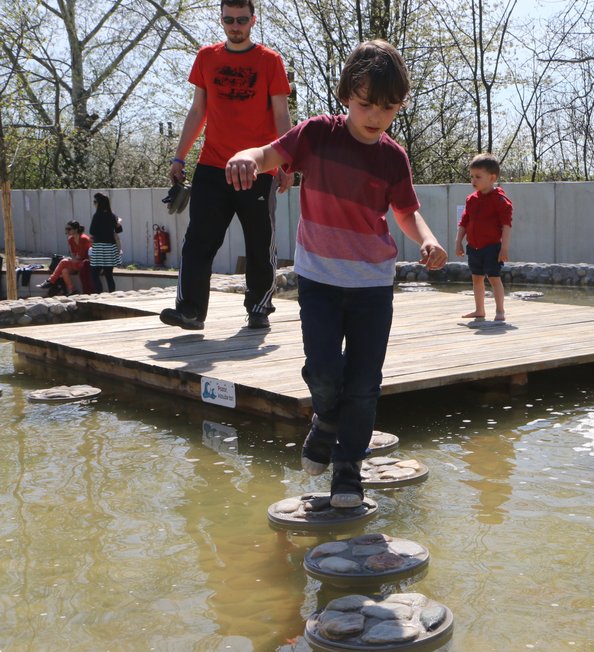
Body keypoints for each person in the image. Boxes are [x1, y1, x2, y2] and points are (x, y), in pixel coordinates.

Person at [225, 40, 448, 508]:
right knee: (323, 371)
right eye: (366, 104)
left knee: (365, 382)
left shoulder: (393, 157)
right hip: (320, 281)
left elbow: (405, 212)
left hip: (371, 285)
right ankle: (325, 418)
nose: (375, 116)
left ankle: (347, 470)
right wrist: (246, 155)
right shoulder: (315, 135)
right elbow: (268, 154)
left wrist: (426, 238)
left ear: (400, 105)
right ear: (347, 94)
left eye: (387, 108)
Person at [160, 0, 293, 331]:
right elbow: (197, 112)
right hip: (212, 166)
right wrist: (179, 156)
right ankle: (190, 310)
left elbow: (281, 114)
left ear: (252, 20)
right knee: (198, 241)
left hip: (257, 169)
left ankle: (259, 308)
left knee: (260, 243)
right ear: (220, 19)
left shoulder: (270, 61)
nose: (235, 26)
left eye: (242, 20)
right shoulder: (207, 57)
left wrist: (288, 162)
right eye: (229, 20)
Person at [454, 153, 513, 321]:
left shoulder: (500, 200)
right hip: (474, 247)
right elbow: (464, 222)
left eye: (478, 177)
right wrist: (458, 242)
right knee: (476, 278)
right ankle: (479, 309)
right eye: (471, 176)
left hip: (492, 247)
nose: (473, 180)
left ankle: (500, 310)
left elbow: (507, 225)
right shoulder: (471, 200)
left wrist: (504, 248)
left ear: (492, 178)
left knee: (494, 278)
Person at [37, 221, 91, 295]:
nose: (67, 231)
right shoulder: (71, 239)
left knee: (64, 261)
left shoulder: (84, 239)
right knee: (64, 270)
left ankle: (51, 281)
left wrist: (72, 259)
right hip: (78, 263)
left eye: (69, 229)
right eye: (66, 229)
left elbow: (81, 256)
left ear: (76, 229)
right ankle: (72, 290)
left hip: (86, 264)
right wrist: (72, 259)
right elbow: (74, 255)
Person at [89, 192, 123, 293]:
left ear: (99, 203)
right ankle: (112, 294)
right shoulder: (112, 215)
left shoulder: (96, 215)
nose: (94, 204)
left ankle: (99, 294)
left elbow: (92, 231)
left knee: (95, 273)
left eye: (95, 202)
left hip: (99, 247)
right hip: (110, 247)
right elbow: (118, 230)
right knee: (109, 274)